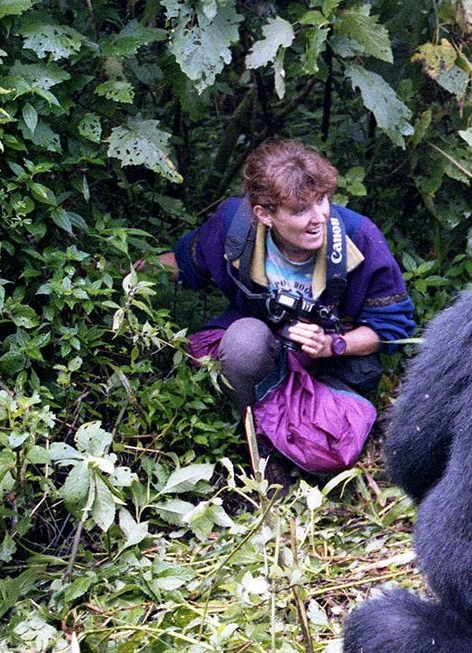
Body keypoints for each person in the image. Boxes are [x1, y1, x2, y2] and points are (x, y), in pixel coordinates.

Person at [158, 138, 414, 479]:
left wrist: (333, 345)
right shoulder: (235, 228)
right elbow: (183, 263)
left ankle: (298, 437)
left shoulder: (357, 236)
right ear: (264, 214)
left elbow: (389, 328)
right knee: (240, 344)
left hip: (330, 365)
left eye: (322, 200)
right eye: (299, 210)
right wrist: (120, 270)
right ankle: (263, 451)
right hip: (263, 348)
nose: (318, 218)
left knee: (330, 453)